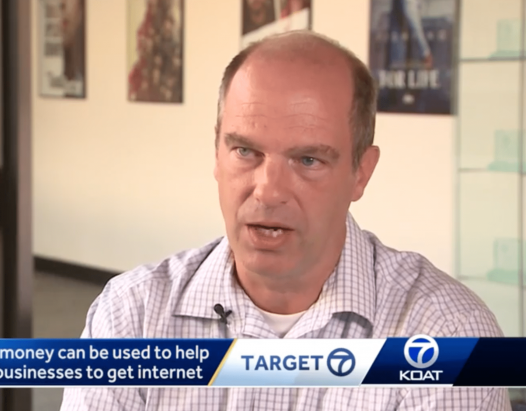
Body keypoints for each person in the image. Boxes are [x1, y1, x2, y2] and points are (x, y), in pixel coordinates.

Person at [60, 31, 510, 410]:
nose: (268, 191)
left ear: (361, 173)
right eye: (245, 151)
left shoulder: (448, 336)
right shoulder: (130, 318)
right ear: (216, 153)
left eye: (308, 159)